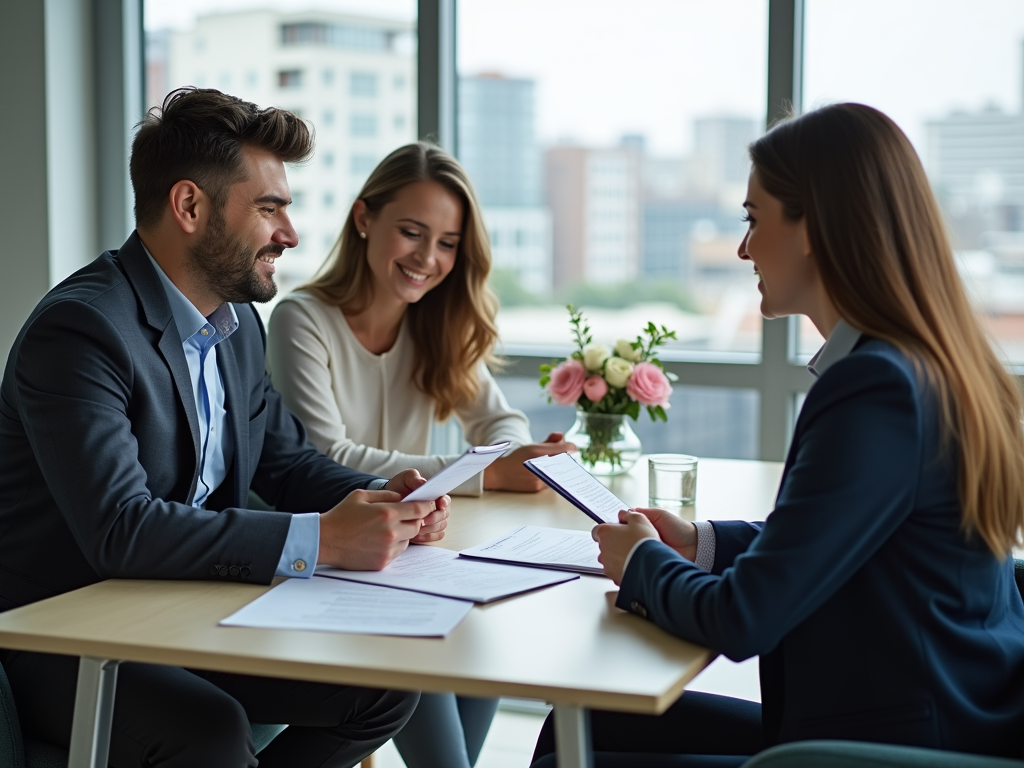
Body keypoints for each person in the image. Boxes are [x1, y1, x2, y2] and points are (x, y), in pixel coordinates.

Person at [532, 103, 1024, 767]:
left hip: (885, 748)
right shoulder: (924, 365)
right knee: (584, 724)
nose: (742, 249)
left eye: (753, 219)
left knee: (574, 747)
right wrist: (699, 544)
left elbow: (744, 619)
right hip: (932, 713)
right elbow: (839, 542)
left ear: (814, 226)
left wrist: (642, 563)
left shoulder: (876, 390)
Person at [0, 87, 453, 768]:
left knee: (383, 690)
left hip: (182, 610)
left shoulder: (236, 326)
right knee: (207, 729)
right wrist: (324, 538)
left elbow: (286, 462)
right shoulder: (83, 331)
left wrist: (390, 495)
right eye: (269, 208)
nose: (290, 233)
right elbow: (122, 527)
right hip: (60, 635)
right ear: (190, 206)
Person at [266, 142, 574, 768]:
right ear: (363, 220)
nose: (428, 258)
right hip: (328, 556)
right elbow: (327, 455)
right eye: (411, 232)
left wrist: (517, 453)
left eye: (447, 243)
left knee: (486, 619)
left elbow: (501, 421)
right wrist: (487, 470)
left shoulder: (437, 321)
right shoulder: (302, 319)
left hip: (409, 549)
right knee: (430, 639)